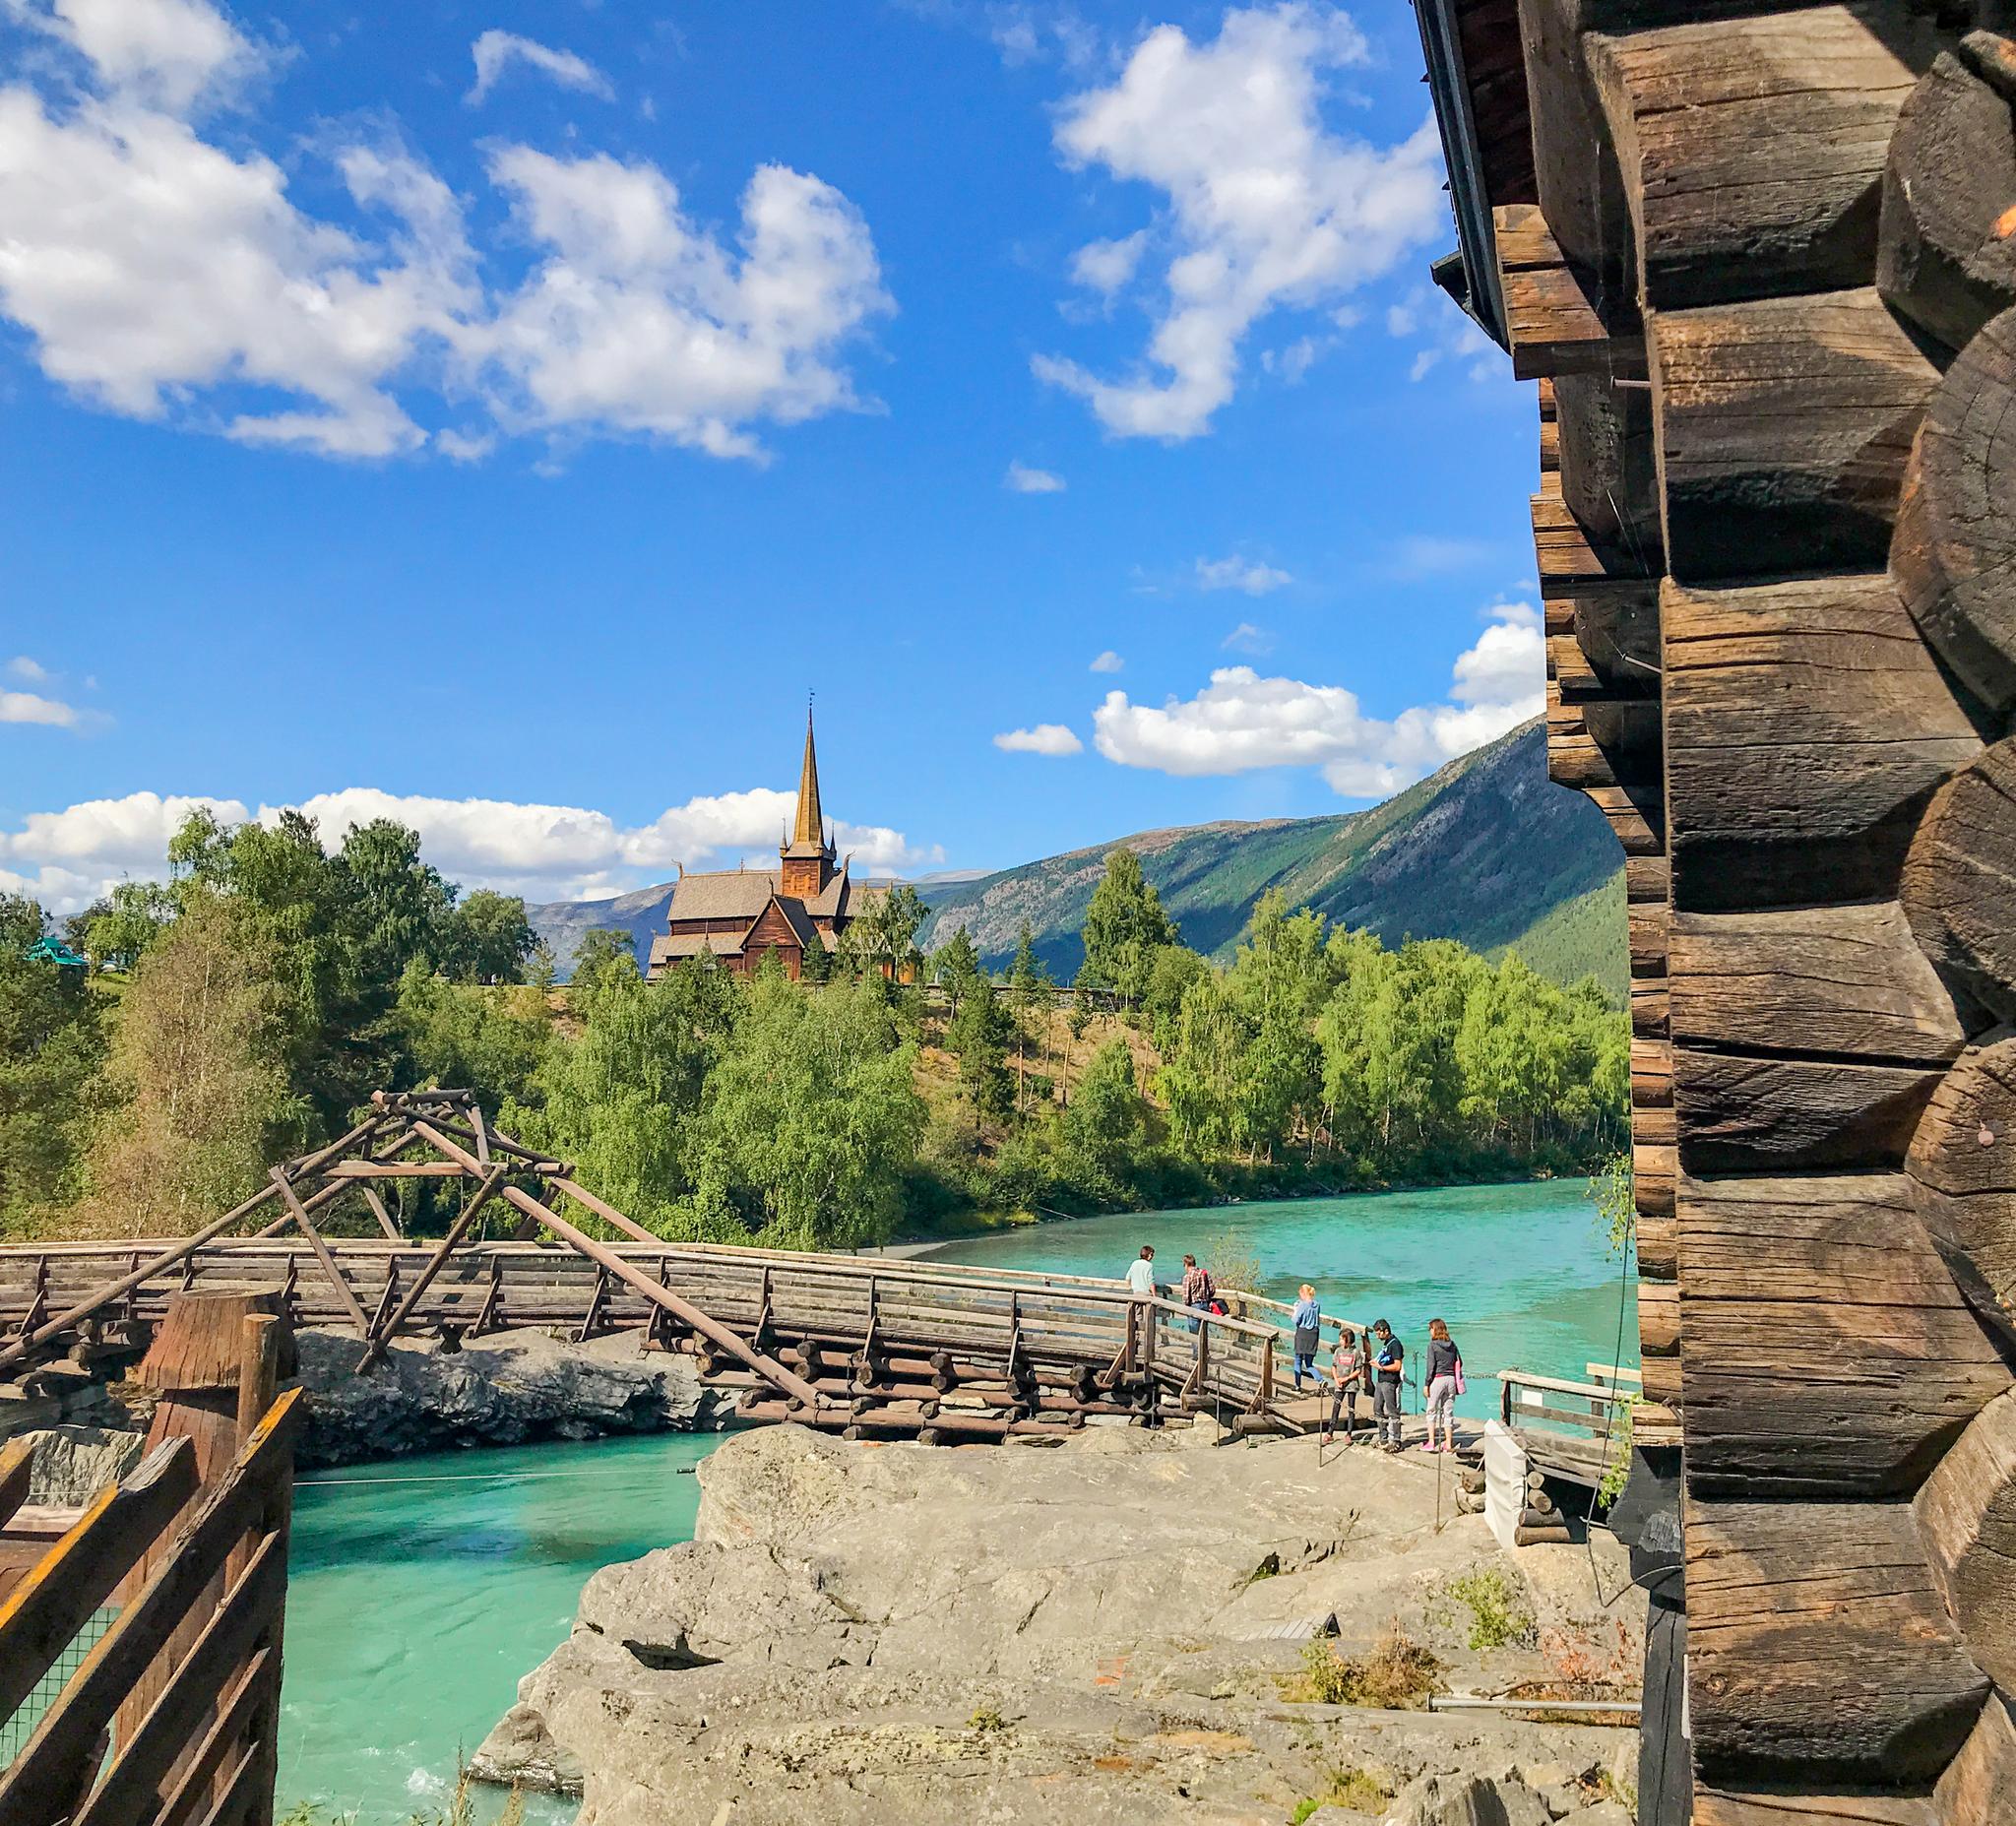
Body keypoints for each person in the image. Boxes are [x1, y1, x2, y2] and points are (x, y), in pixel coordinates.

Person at [1421, 1317, 1462, 1455]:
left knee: (1431, 1411)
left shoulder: (1432, 1345)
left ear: (1435, 1329)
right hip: (1451, 1380)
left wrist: (1426, 1384)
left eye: (1430, 1329)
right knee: (1448, 1413)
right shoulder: (1452, 1344)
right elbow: (1459, 1362)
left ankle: (1432, 1442)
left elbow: (1430, 1367)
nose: (1429, 1332)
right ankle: (1448, 1444)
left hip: (1438, 1379)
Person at [1320, 1324, 1364, 1446]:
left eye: (1341, 1339)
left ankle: (1349, 1433)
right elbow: (1334, 1366)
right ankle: (1330, 1433)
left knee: (1351, 1409)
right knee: (1336, 1408)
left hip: (1351, 1385)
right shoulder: (1338, 1351)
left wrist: (1347, 1378)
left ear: (1347, 1340)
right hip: (1339, 1385)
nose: (1340, 1341)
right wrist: (1336, 1379)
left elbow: (1358, 1370)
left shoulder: (1356, 1352)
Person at [1371, 1318, 1405, 1451]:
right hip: (1381, 1380)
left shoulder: (1395, 1344)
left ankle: (1396, 1440)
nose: (1377, 1335)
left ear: (1386, 1331)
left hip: (1390, 1381)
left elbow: (1397, 1365)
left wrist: (1381, 1367)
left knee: (1392, 1411)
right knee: (1377, 1409)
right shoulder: (1387, 1343)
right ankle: (1383, 1438)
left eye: (1379, 1333)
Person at [1291, 1285, 1322, 1392]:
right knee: (1309, 1363)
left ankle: (1297, 1385)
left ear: (1303, 1293)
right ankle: (1320, 1380)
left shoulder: (1302, 1305)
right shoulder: (1317, 1305)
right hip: (1314, 1333)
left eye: (1300, 1295)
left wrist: (1295, 1309)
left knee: (1298, 1360)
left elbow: (1295, 1320)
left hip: (1303, 1333)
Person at [1179, 1254, 1215, 1332]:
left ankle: (1195, 1344)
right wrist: (1207, 1297)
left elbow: (1186, 1296)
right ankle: (1203, 1344)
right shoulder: (1204, 1273)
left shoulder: (1187, 1276)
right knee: (1203, 1331)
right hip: (1205, 1304)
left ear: (1186, 1264)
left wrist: (1185, 1305)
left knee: (1194, 1333)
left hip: (1194, 1305)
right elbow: (1212, 1289)